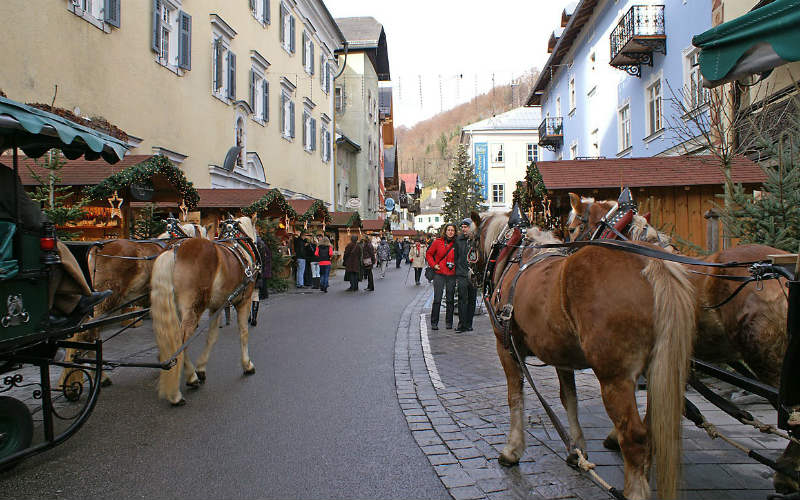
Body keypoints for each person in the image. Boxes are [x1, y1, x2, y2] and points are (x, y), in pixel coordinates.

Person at [0, 163, 109, 325]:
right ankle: (48, 310)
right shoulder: (3, 175)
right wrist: (46, 223)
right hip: (4, 244)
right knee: (55, 253)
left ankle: (74, 302)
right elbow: (29, 215)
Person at [426, 223, 457, 330]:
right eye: (448, 230)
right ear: (445, 231)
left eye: (452, 230)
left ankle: (449, 322)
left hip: (451, 274)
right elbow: (429, 254)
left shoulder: (456, 243)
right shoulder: (437, 242)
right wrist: (434, 264)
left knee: (450, 299)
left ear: (455, 232)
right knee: (437, 299)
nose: (450, 232)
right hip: (439, 274)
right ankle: (434, 322)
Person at [454, 219, 477, 332]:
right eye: (462, 227)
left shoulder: (475, 240)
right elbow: (456, 257)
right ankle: (462, 324)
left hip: (473, 275)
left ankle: (469, 324)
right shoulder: (458, 240)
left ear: (471, 227)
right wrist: (457, 272)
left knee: (472, 299)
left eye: (466, 227)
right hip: (462, 274)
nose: (463, 229)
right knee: (462, 299)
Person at [249, 234, 269, 326]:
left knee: (248, 296)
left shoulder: (248, 243)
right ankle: (254, 318)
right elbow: (263, 261)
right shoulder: (261, 244)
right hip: (258, 272)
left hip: (248, 272)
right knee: (255, 295)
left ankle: (249, 316)